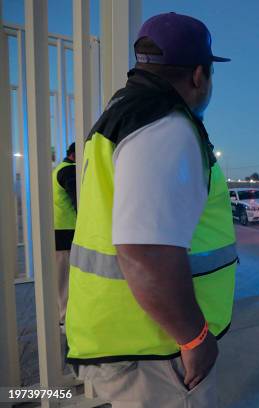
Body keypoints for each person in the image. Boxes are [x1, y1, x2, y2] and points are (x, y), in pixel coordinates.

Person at [65, 13, 237, 407]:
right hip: (157, 349)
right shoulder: (165, 127)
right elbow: (146, 252)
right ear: (199, 75)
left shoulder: (125, 116)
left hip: (131, 335)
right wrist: (195, 338)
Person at [52, 142, 77, 328]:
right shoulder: (69, 172)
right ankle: (64, 319)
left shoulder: (58, 169)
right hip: (66, 232)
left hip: (59, 231)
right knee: (66, 279)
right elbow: (79, 201)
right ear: (74, 155)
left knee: (62, 278)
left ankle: (62, 317)